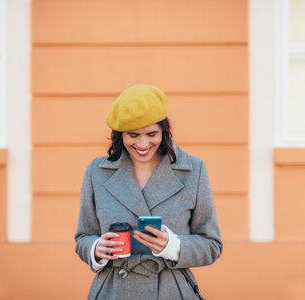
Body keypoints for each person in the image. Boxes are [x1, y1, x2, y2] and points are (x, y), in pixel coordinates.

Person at [75, 84, 223, 300]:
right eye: (133, 135)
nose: (143, 144)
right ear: (119, 135)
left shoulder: (193, 170)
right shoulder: (97, 172)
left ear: (164, 130)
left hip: (171, 291)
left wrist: (173, 246)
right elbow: (83, 237)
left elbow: (212, 245)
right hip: (113, 291)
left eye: (152, 134)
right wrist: (96, 249)